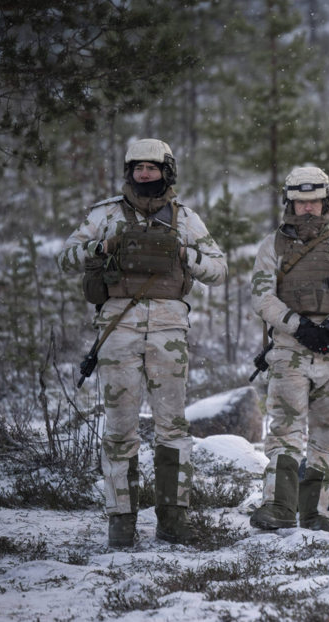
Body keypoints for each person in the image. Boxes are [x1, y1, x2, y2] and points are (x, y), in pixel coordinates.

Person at [57, 139, 227, 547]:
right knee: (119, 429)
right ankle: (121, 521)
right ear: (129, 172)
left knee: (173, 427)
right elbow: (64, 258)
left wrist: (186, 255)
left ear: (166, 171)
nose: (144, 174)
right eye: (138, 168)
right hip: (118, 331)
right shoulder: (106, 214)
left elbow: (219, 270)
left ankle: (173, 519)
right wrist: (101, 246)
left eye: (152, 167)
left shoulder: (185, 217)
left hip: (169, 332)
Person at [249, 166, 329, 534]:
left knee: (328, 435)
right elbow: (261, 296)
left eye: (314, 201)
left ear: (325, 201)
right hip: (288, 350)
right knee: (285, 432)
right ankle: (279, 507)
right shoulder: (272, 246)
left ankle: (317, 513)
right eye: (300, 202)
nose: (307, 209)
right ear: (290, 202)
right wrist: (298, 325)